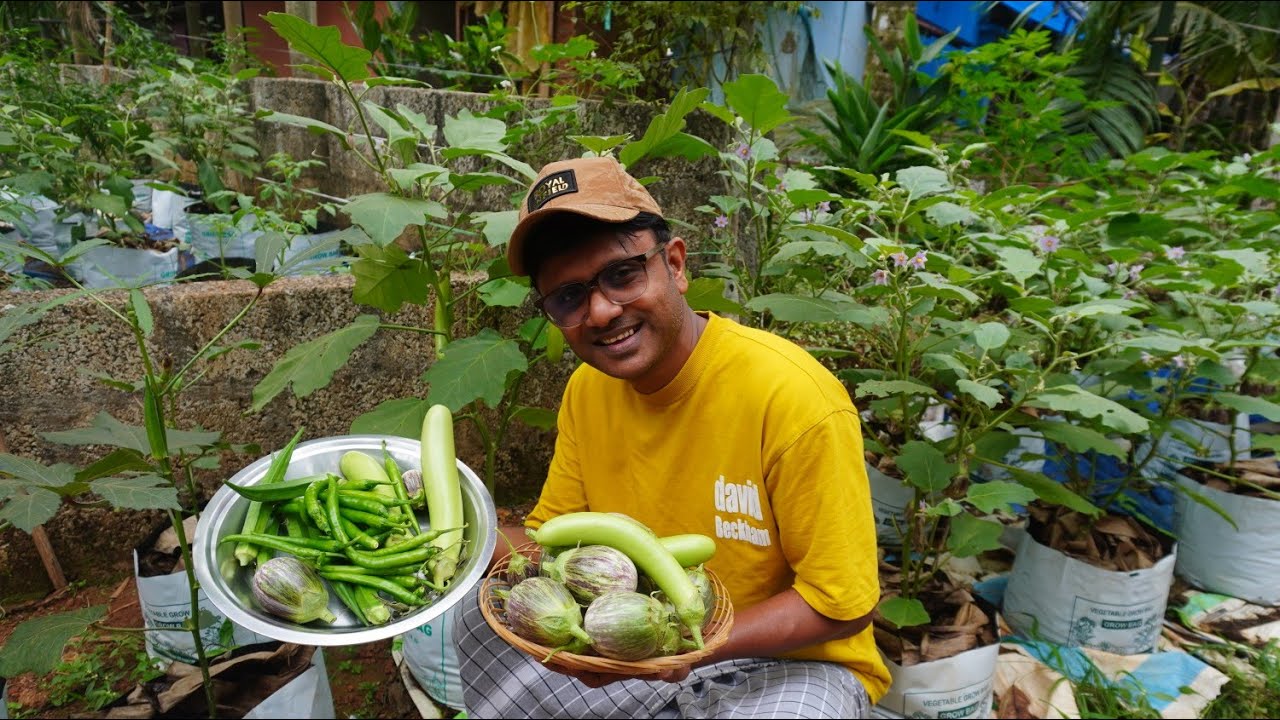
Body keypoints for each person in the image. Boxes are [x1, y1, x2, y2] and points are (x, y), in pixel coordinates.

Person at [454, 156, 888, 718]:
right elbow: (549, 544)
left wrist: (684, 646)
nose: (601, 311)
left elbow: (841, 605)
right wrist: (452, 531)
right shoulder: (587, 390)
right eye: (568, 297)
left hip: (783, 662)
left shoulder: (791, 395)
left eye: (622, 275)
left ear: (675, 265)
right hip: (630, 641)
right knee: (474, 618)